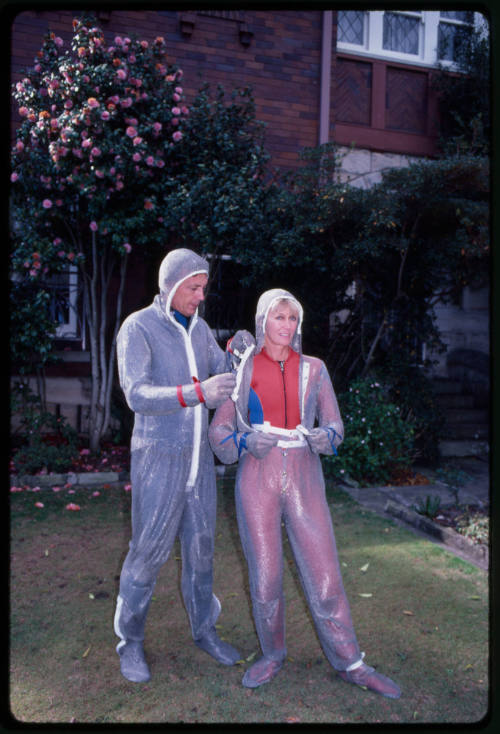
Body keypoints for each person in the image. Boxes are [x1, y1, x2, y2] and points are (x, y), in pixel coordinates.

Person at [208, 288, 401, 698]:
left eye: (292, 319)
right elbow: (219, 433)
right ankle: (272, 654)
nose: (286, 326)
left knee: (324, 570)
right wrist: (245, 444)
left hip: (304, 477)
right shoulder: (243, 370)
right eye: (278, 317)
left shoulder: (315, 369)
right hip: (256, 479)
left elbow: (336, 427)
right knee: (265, 576)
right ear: (263, 321)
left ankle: (351, 662)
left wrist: (323, 437)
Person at [114, 247, 253, 683]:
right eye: (193, 287)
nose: (200, 296)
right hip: (158, 460)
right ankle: (130, 642)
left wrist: (239, 352)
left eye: (203, 287)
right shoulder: (138, 328)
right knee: (148, 553)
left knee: (202, 551)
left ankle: (204, 631)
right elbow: (136, 394)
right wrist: (196, 392)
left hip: (199, 464)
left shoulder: (200, 329)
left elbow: (219, 370)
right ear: (171, 285)